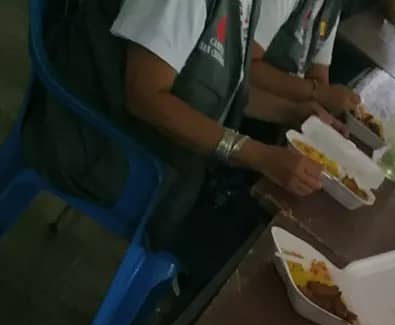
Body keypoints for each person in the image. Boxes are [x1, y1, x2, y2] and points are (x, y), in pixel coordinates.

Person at [24, 0, 328, 255]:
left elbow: (225, 92)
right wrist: (256, 154)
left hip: (168, 160)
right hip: (106, 149)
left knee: (260, 231)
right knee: (245, 251)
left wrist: (292, 113)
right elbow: (145, 96)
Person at [249, 0, 359, 116]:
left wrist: (328, 102)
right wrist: (318, 93)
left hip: (286, 112)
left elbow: (319, 76)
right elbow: (247, 68)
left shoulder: (330, 9)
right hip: (252, 110)